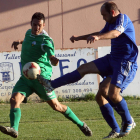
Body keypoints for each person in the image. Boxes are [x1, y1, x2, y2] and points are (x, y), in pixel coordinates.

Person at [37, 2, 138, 139]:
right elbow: (100, 33)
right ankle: (51, 85)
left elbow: (115, 33)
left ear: (113, 12)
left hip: (125, 62)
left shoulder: (122, 19)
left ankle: (128, 121)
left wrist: (98, 37)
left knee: (112, 95)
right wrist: (79, 38)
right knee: (94, 85)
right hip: (112, 59)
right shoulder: (111, 21)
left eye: (104, 15)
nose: (103, 18)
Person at [0, 12, 92, 138]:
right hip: (26, 78)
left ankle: (81, 124)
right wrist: (19, 41)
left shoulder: (46, 41)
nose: (37, 28)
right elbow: (29, 39)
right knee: (14, 100)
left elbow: (50, 55)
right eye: (34, 25)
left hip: (41, 80)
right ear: (30, 24)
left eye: (39, 25)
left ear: (44, 25)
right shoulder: (28, 33)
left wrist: (53, 59)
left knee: (57, 106)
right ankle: (14, 129)